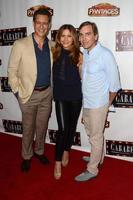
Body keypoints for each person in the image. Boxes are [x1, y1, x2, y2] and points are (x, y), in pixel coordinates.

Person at [8, 8, 53, 172]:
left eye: (45, 23)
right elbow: (12, 71)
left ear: (49, 25)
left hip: (47, 94)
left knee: (42, 127)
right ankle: (26, 156)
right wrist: (18, 93)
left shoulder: (52, 45)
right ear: (34, 23)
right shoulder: (20, 44)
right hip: (28, 95)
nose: (42, 26)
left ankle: (39, 151)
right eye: (38, 23)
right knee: (28, 128)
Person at [75, 21, 121, 182]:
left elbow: (115, 85)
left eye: (88, 34)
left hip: (98, 105)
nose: (84, 38)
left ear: (95, 36)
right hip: (87, 102)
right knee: (93, 134)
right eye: (81, 34)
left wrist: (106, 105)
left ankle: (92, 169)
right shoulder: (85, 53)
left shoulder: (105, 54)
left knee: (95, 136)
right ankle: (98, 156)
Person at [52, 24, 82, 180]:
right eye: (62, 35)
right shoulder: (54, 52)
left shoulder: (80, 55)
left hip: (76, 96)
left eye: (69, 35)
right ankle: (57, 162)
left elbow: (84, 77)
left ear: (74, 38)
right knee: (62, 130)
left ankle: (66, 150)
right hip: (61, 96)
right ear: (58, 37)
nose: (65, 39)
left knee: (71, 127)